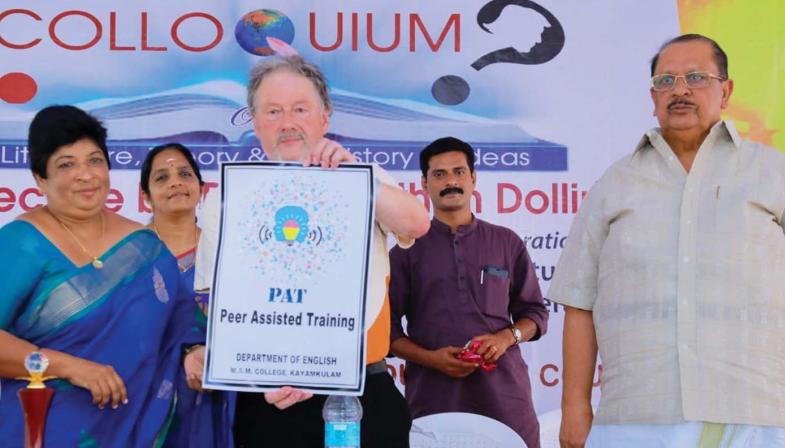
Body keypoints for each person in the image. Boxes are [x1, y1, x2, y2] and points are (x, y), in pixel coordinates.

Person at [550, 34, 785, 447]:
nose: (680, 90)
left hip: (754, 414)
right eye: (666, 81)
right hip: (635, 417)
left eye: (696, 77)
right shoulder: (615, 184)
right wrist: (574, 409)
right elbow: (579, 302)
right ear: (652, 97)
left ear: (727, 91)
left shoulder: (777, 175)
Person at [193, 55, 431, 447]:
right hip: (271, 400)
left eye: (300, 109)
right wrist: (255, 376)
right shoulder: (226, 199)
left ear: (325, 117)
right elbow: (212, 303)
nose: (287, 123)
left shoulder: (363, 178)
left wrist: (359, 179)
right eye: (273, 111)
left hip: (359, 398)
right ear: (254, 122)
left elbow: (416, 224)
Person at [0, 105, 205, 446]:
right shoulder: (21, 243)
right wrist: (70, 367)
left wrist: (195, 353)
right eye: (66, 164)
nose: (86, 175)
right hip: (42, 430)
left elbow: (181, 327)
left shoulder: (145, 246)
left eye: (95, 160)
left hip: (135, 429)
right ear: (40, 179)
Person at [388, 136, 549, 448]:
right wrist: (432, 359)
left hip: (504, 397)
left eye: (459, 172)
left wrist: (505, 339)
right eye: (439, 174)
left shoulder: (506, 242)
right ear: (424, 183)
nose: (451, 181)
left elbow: (536, 314)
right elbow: (386, 332)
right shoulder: (406, 251)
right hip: (433, 397)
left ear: (473, 178)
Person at [139, 142, 234, 447]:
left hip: (216, 396)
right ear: (145, 196)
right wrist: (183, 353)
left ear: (202, 189)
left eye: (184, 174)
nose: (176, 182)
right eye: (162, 178)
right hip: (144, 397)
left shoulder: (228, 253)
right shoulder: (128, 257)